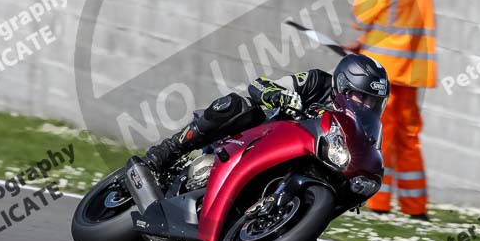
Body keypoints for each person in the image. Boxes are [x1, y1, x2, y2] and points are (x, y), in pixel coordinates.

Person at [139, 54, 390, 173]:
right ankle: (168, 149)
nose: (366, 106)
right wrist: (279, 95)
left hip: (294, 161)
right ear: (343, 84)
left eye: (374, 102)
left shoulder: (361, 128)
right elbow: (259, 85)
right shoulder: (316, 82)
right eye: (362, 97)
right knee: (236, 105)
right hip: (260, 136)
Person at [346, 0, 437, 221]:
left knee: (378, 135)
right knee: (409, 139)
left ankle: (378, 202)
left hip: (381, 78)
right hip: (410, 76)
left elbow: (360, 17)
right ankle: (416, 208)